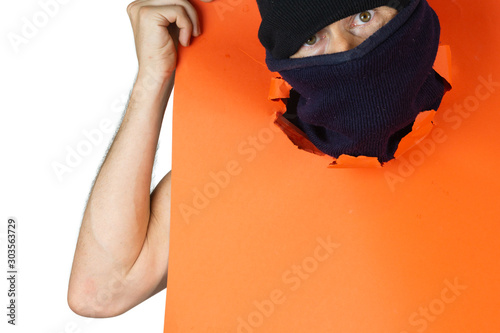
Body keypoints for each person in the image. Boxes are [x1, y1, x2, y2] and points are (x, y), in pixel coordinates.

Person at [67, 0, 437, 317]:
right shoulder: (239, 165)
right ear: (285, 61)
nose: (345, 50)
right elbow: (100, 290)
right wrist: (153, 78)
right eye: (312, 38)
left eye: (364, 16)